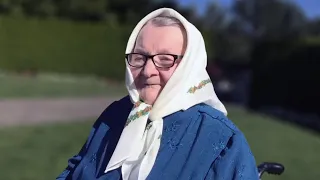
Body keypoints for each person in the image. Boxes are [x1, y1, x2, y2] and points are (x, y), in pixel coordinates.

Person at [56, 8, 259, 180]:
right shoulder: (115, 115)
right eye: (139, 57)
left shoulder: (223, 141)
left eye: (165, 59)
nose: (147, 71)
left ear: (190, 66)